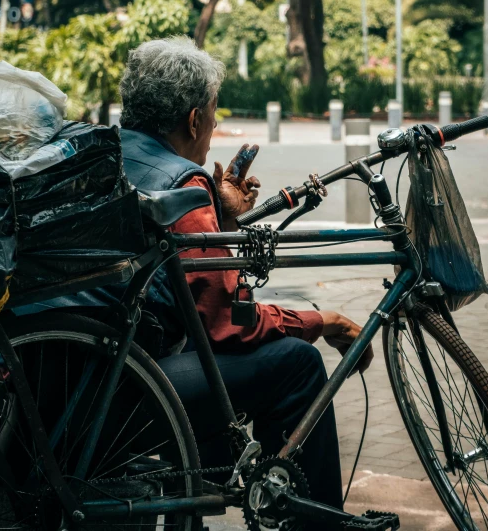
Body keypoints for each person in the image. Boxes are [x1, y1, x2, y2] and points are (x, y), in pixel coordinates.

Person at [117, 36, 374, 514]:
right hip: (125, 391)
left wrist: (225, 220)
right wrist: (325, 320)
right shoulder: (183, 184)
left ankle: (211, 487)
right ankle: (312, 524)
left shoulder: (106, 154)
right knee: (298, 363)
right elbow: (228, 323)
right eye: (213, 115)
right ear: (194, 119)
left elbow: (182, 285)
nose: (214, 129)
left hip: (78, 373)